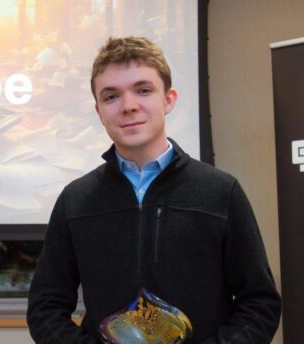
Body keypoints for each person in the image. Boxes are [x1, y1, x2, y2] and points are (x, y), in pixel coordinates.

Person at [27, 36, 281, 343]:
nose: (128, 106)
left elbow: (259, 303)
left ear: (168, 99)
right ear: (98, 111)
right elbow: (44, 309)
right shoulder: (75, 201)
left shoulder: (220, 192)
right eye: (111, 97)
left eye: (143, 90)